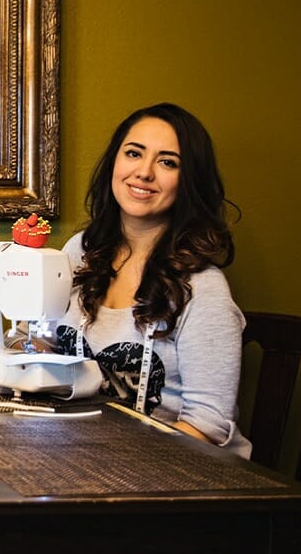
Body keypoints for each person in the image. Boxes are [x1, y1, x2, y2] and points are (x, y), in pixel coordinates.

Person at [56, 102, 250, 457]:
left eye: (167, 162)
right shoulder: (80, 253)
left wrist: (117, 465)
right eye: (133, 153)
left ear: (189, 181)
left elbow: (207, 424)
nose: (144, 172)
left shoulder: (201, 289)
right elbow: (39, 345)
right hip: (85, 459)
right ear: (115, 161)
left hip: (176, 475)